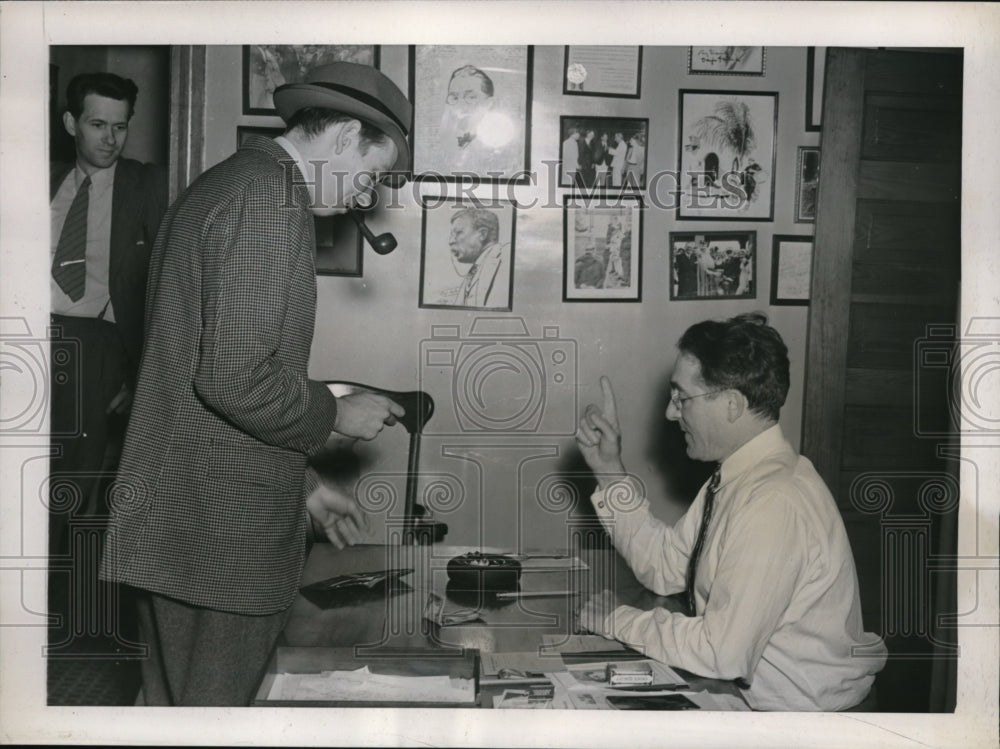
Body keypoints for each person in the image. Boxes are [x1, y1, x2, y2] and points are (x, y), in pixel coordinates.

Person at [99, 62, 413, 706]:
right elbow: (235, 379)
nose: (362, 196)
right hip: (217, 539)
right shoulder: (272, 198)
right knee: (210, 719)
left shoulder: (228, 181)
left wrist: (300, 484)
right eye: (371, 174)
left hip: (185, 520)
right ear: (346, 136)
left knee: (174, 713)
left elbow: (197, 374)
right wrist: (336, 414)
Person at [574, 313, 887, 711]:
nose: (672, 413)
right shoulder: (742, 477)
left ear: (733, 404)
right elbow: (666, 567)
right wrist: (608, 471)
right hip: (760, 703)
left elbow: (722, 651)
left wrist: (617, 621)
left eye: (681, 398)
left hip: (810, 727)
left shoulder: (774, 501)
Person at [49, 72, 168, 553]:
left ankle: (43, 594)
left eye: (120, 126)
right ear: (70, 122)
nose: (111, 139)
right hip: (26, 337)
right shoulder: (37, 179)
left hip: (93, 347)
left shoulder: (149, 185)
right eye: (98, 125)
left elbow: (170, 288)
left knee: (66, 483)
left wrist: (141, 373)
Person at [441, 64, 516, 174]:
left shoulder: (498, 148)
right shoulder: (445, 145)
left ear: (489, 103)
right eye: (454, 97)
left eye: (471, 97)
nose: (461, 105)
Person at [442, 206, 510, 309]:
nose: (450, 241)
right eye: (452, 235)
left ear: (482, 234)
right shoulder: (475, 269)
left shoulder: (508, 260)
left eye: (458, 233)